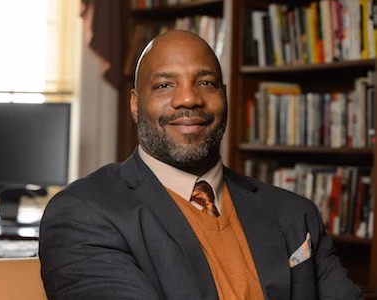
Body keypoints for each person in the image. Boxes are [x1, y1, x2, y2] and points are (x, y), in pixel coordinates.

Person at [39, 30, 363, 299]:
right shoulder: (83, 214)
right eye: (165, 85)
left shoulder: (295, 213)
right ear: (136, 104)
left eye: (205, 82)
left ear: (224, 96)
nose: (189, 99)